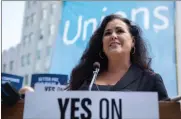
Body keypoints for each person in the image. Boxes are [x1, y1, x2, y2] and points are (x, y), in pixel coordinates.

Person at [68, 14, 169, 101]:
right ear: (102, 45)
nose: (113, 36)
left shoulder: (150, 80)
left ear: (133, 42)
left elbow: (168, 114)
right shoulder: (87, 81)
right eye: (108, 33)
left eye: (120, 31)